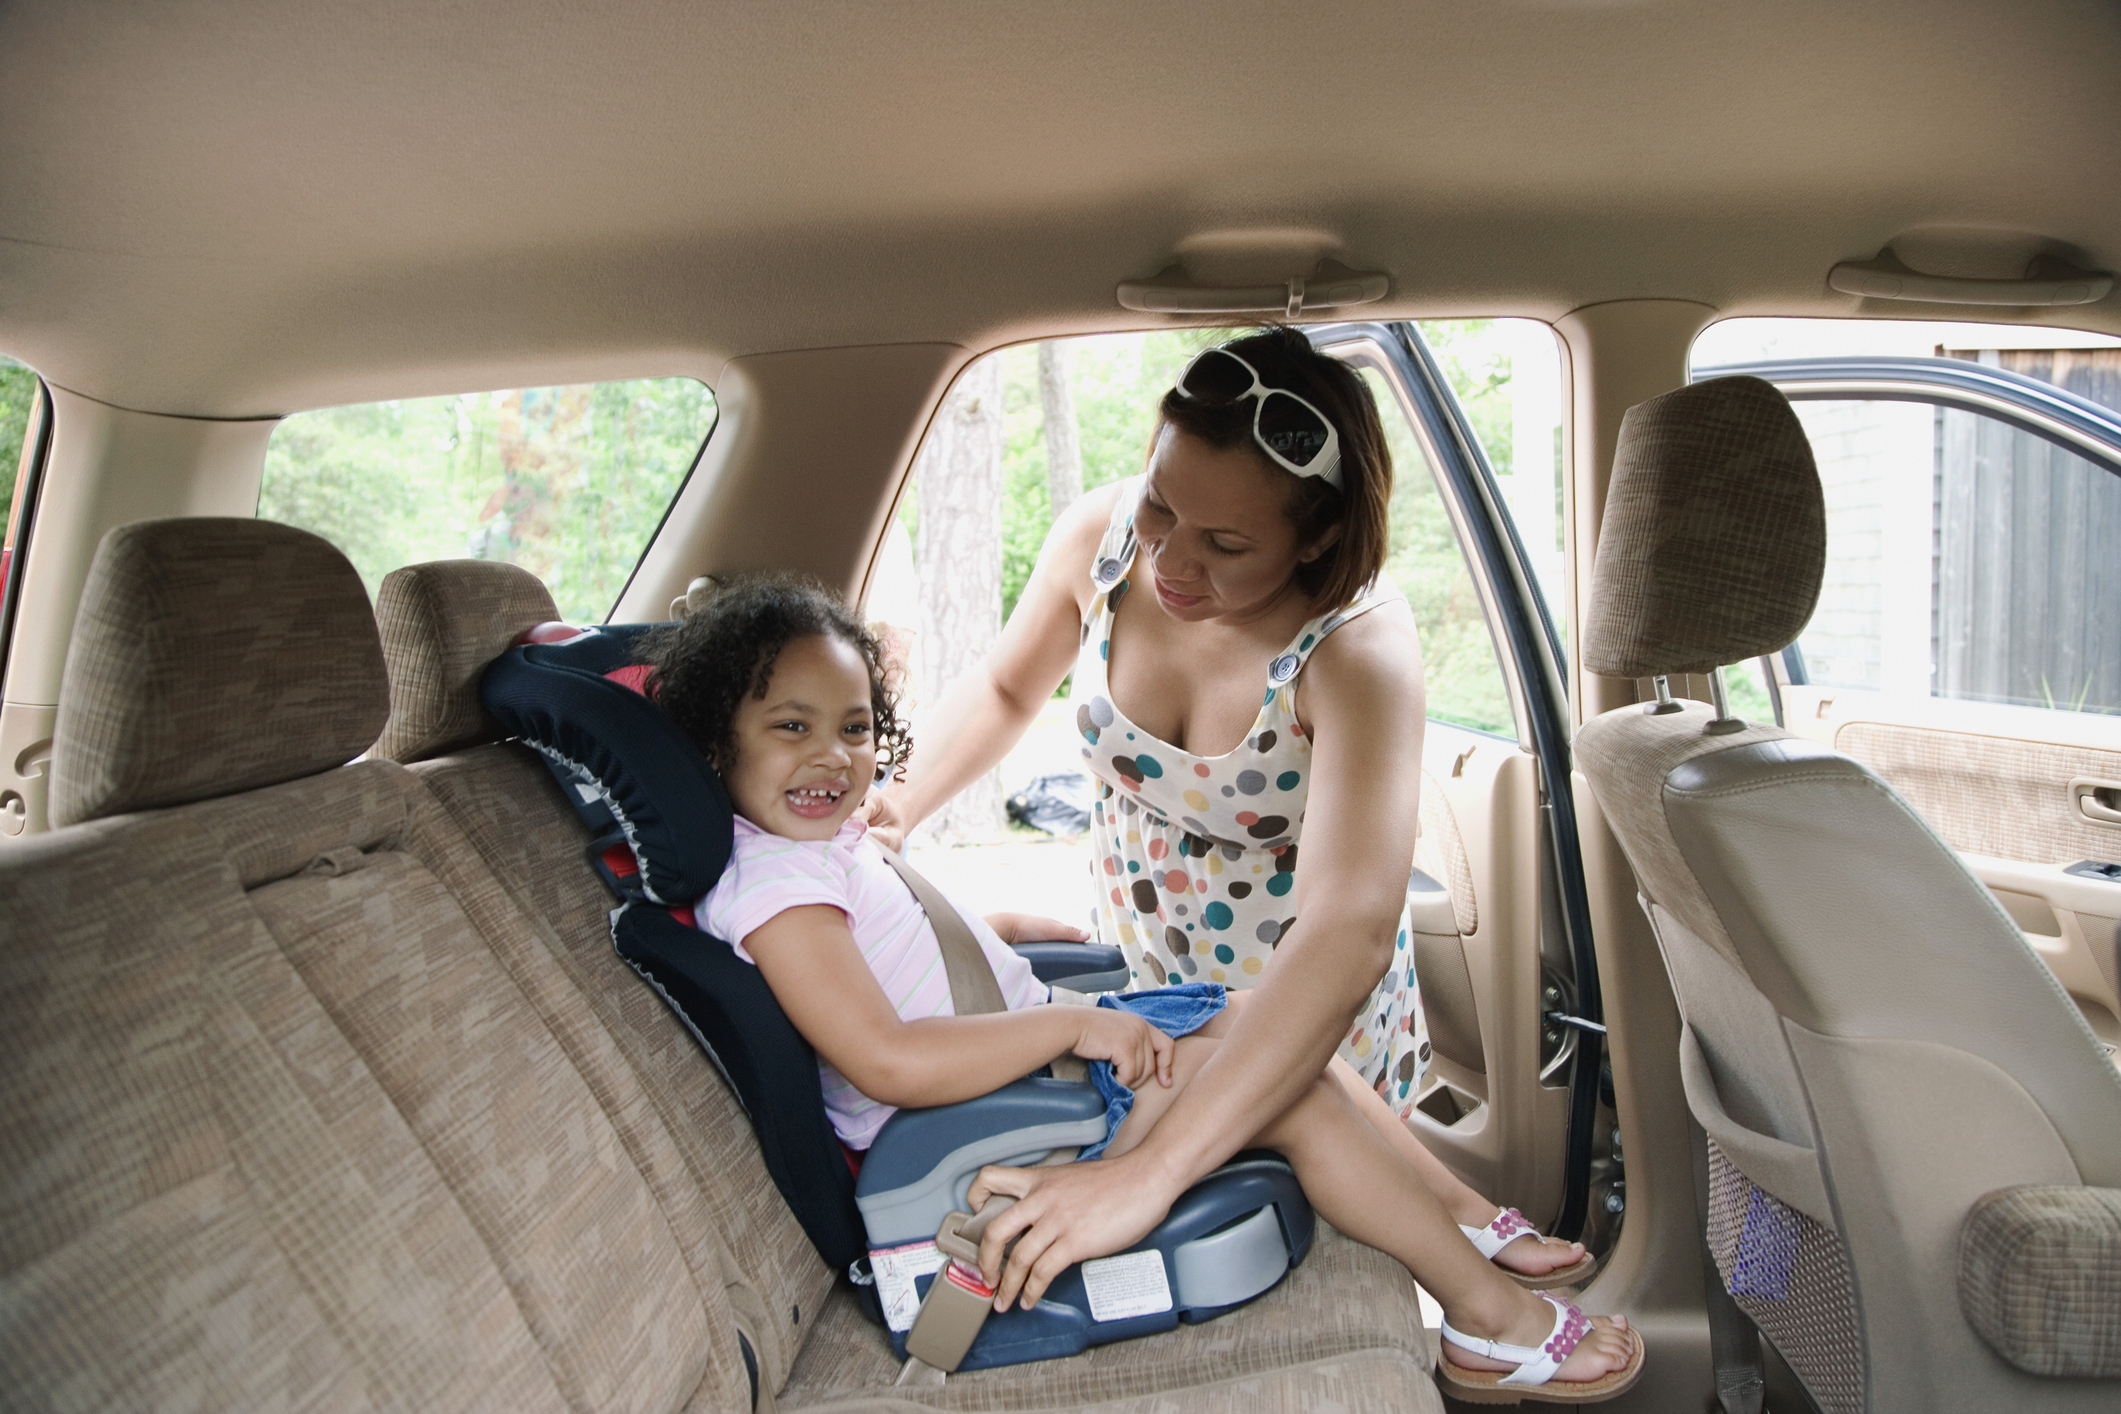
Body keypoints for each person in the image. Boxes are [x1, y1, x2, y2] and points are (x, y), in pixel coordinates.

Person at [642, 574, 1642, 1400]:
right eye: (791, 726)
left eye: (855, 728)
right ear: (717, 737)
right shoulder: (776, 887)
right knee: (1282, 1083)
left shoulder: (816, 846)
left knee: (1269, 1016)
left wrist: (990, 933)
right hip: (971, 1138)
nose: (832, 756)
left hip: (1009, 1082)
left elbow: (885, 964)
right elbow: (886, 1056)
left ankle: (1457, 1211)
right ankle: (1485, 1321)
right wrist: (1073, 1020)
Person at [862, 327, 1592, 1303]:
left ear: (1318, 537)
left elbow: (1347, 927)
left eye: (1227, 543)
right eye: (1163, 502)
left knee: (1310, 1259)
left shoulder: (1355, 649)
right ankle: (1457, 1212)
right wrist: (892, 812)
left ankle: (1458, 1230)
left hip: (1301, 1014)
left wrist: (1143, 1178)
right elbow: (1003, 688)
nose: (1169, 556)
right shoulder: (1104, 540)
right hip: (1154, 982)